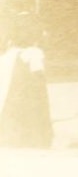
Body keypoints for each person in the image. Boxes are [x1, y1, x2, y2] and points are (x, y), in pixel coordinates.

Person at [0, 11, 53, 149]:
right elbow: (41, 39)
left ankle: (17, 137)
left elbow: (6, 41)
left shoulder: (12, 20)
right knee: (36, 99)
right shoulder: (35, 19)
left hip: (16, 60)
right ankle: (37, 137)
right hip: (31, 60)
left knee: (14, 97)